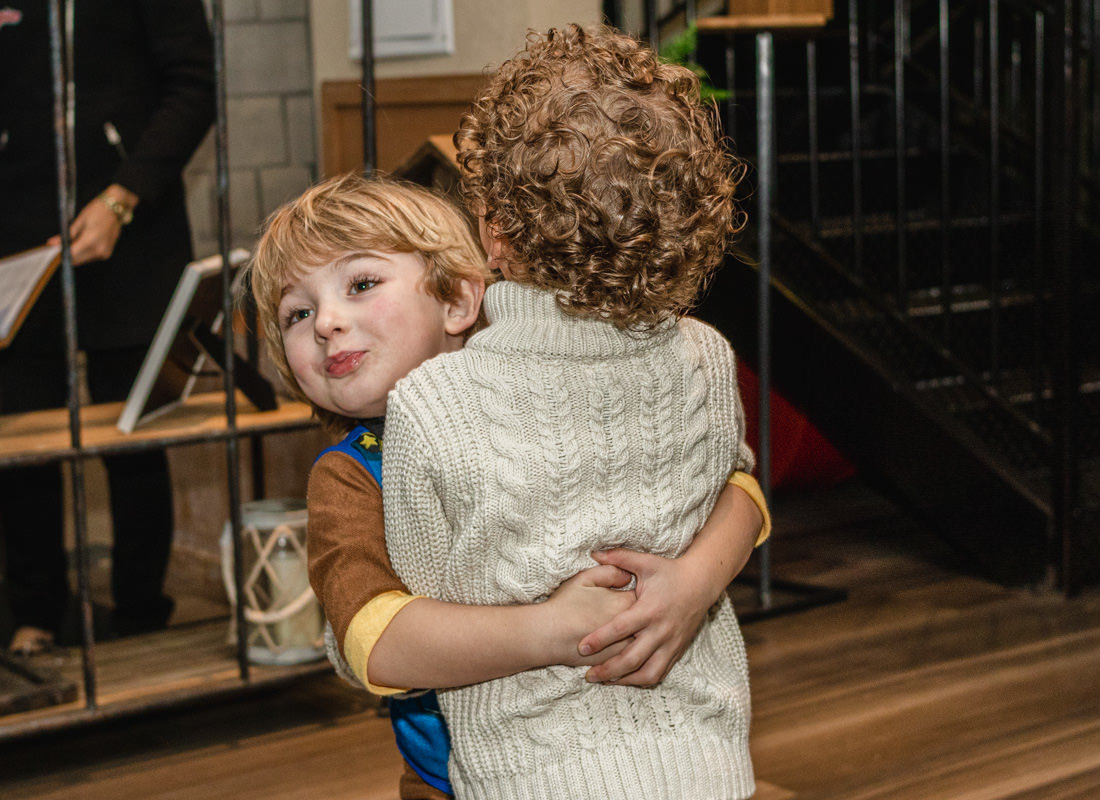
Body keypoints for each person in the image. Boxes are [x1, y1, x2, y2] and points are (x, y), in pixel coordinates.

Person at [248, 173, 769, 799]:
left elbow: (734, 481)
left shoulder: (545, 384)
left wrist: (694, 584)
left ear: (459, 301)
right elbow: (373, 640)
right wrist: (554, 630)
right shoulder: (351, 475)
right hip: (459, 782)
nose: (327, 322)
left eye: (361, 284)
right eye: (296, 313)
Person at [379, 23, 758, 800]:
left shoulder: (431, 404)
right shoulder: (706, 358)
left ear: (495, 233)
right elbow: (736, 487)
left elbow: (418, 603)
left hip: (530, 778)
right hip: (711, 764)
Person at [0, 0, 216, 654]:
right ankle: (35, 615)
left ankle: (140, 611)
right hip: (19, 242)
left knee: (135, 433)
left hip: (134, 231)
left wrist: (125, 196)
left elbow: (194, 86)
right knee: (21, 436)